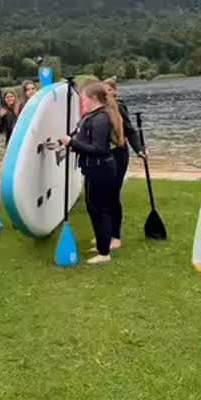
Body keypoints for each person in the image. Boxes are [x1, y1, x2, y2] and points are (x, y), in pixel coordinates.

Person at [57, 82, 118, 265]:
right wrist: (67, 145)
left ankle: (104, 252)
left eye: (84, 99)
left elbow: (99, 148)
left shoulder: (100, 119)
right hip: (93, 169)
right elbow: (86, 144)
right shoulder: (91, 117)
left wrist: (71, 143)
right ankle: (101, 244)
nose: (82, 102)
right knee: (93, 208)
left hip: (102, 170)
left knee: (101, 210)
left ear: (93, 99)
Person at [103, 78, 145, 250]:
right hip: (104, 155)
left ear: (114, 91)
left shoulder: (118, 106)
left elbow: (130, 130)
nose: (104, 94)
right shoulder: (99, 110)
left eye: (106, 90)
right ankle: (105, 233)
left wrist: (140, 150)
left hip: (119, 155)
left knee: (113, 195)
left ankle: (115, 236)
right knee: (104, 196)